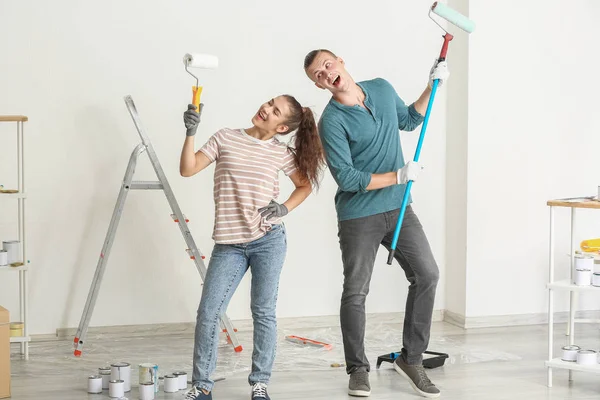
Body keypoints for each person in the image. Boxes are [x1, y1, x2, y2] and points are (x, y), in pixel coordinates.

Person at [303, 49, 449, 398]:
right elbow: (349, 179)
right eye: (317, 75)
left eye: (327, 64)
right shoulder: (332, 122)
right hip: (359, 215)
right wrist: (398, 174)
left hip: (399, 208)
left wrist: (432, 85)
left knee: (426, 274)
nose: (325, 73)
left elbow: (410, 120)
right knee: (356, 292)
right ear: (318, 85)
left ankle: (411, 359)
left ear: (340, 60)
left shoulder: (381, 89)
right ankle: (357, 370)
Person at [179, 95, 325, 400]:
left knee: (263, 311)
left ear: (282, 127)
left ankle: (260, 383)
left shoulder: (279, 152)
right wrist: (191, 132)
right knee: (209, 312)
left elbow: (305, 185)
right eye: (269, 102)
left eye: (275, 111)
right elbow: (188, 169)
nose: (266, 109)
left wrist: (284, 208)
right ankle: (202, 386)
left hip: (268, 241)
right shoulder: (225, 137)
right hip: (229, 244)